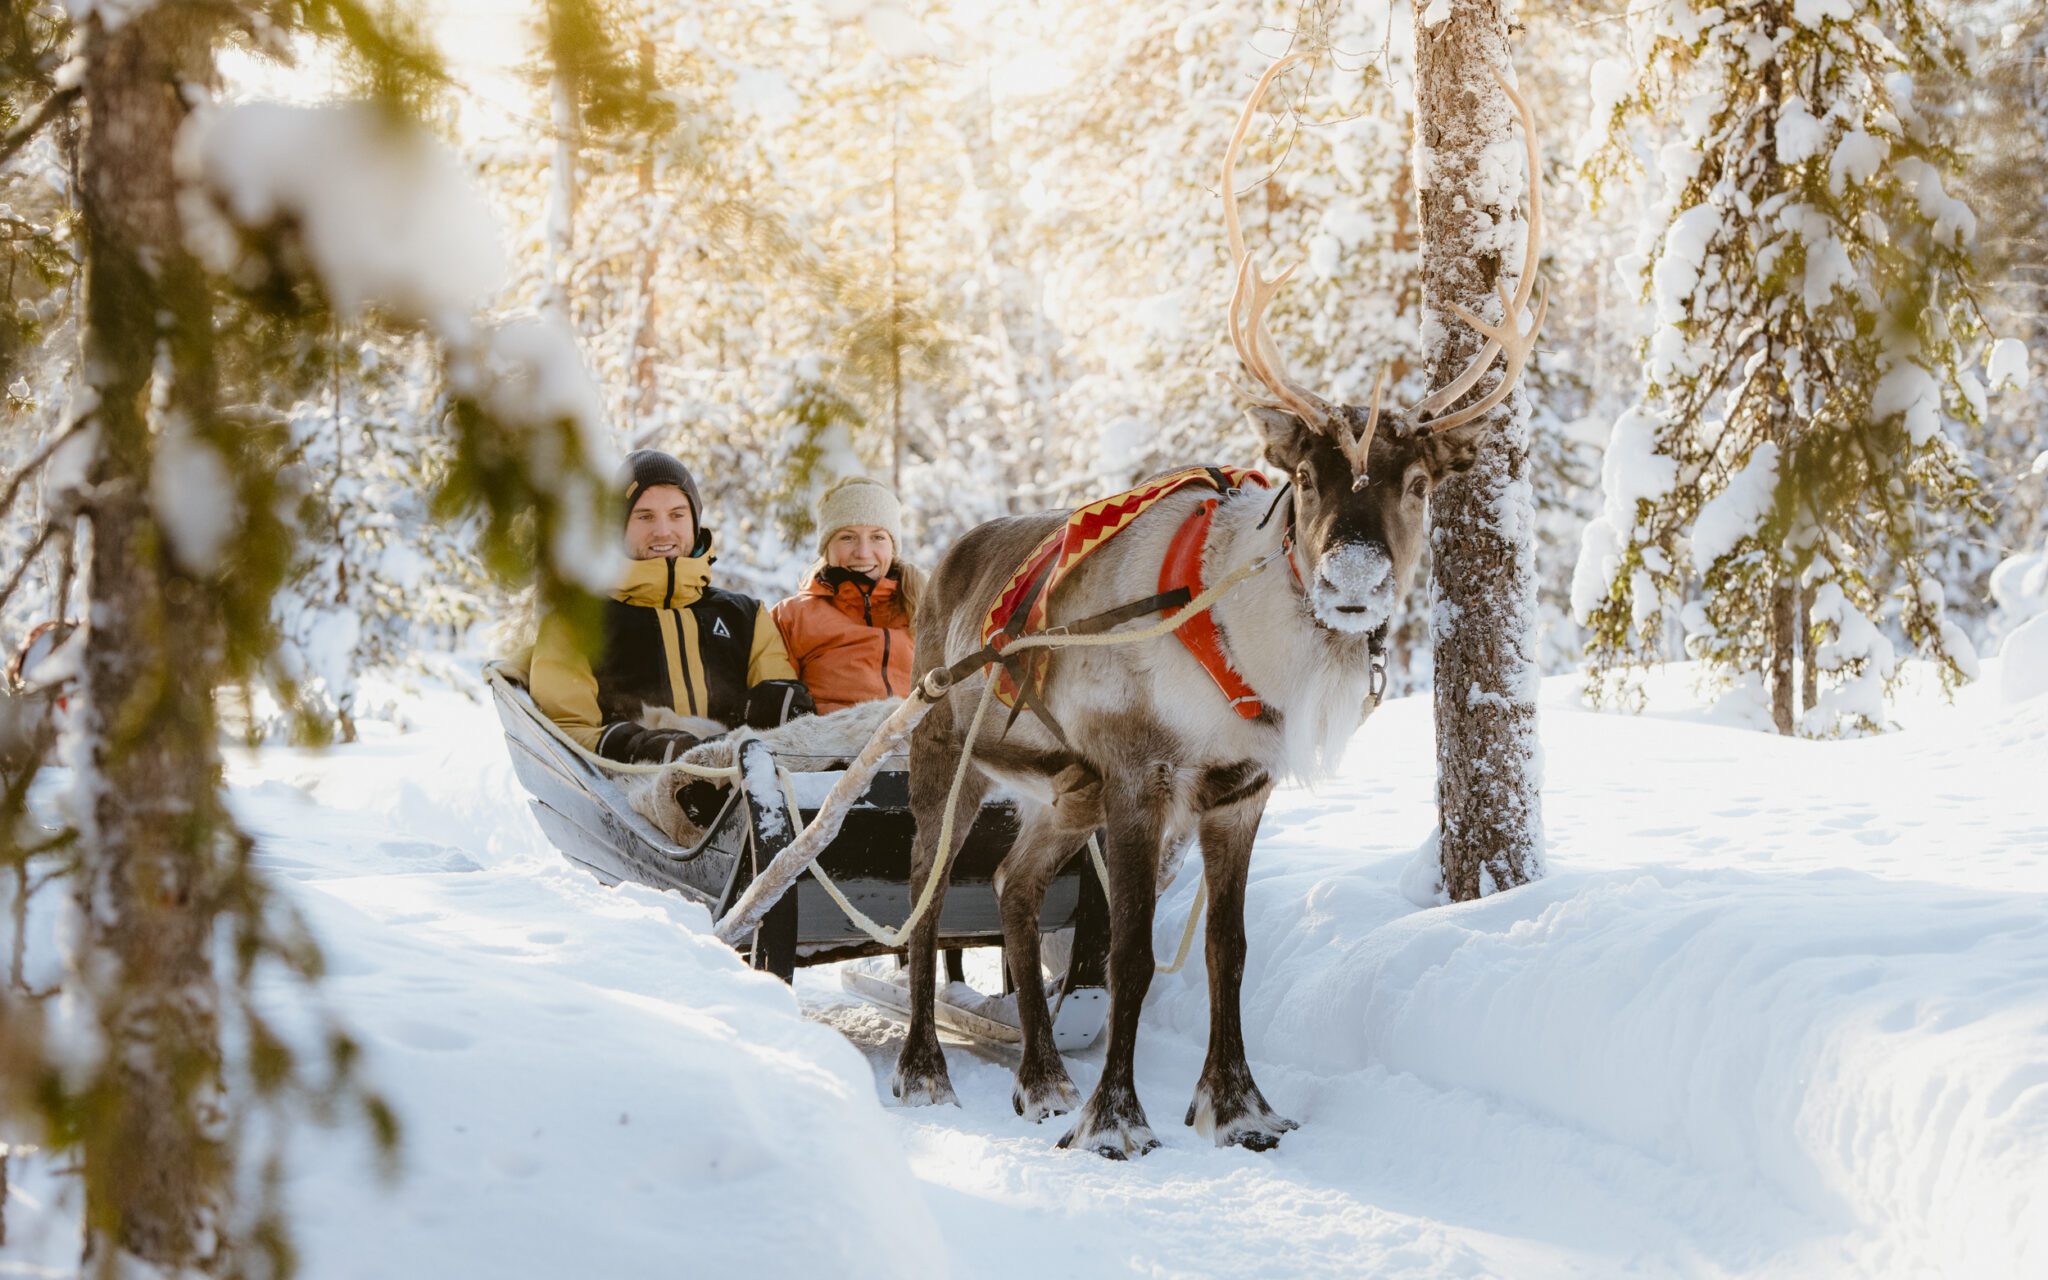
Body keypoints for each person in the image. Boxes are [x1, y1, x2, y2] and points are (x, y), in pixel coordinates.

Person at [529, 449, 813, 762]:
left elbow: (782, 724)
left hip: (738, 788)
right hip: (626, 792)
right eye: (645, 516)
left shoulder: (745, 617)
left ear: (695, 522)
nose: (663, 531)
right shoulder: (576, 622)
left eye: (677, 514)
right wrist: (634, 746)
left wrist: (777, 707)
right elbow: (564, 728)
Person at [771, 476, 922, 715]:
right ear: (826, 547)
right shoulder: (791, 617)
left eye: (877, 537)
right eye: (847, 537)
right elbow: (775, 702)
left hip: (912, 741)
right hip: (829, 743)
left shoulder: (926, 610)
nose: (863, 553)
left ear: (892, 547)